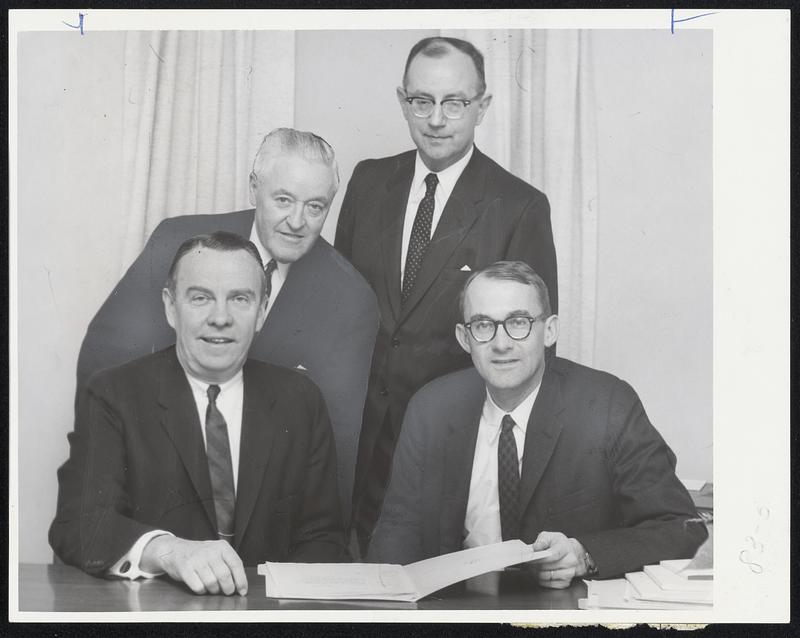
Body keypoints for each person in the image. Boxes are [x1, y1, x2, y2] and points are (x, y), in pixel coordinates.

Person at [77, 128, 378, 524]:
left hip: (263, 514)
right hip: (155, 492)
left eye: (316, 207)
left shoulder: (351, 299)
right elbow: (105, 355)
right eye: (283, 199)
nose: (296, 221)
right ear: (254, 188)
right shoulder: (178, 239)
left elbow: (336, 452)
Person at [335, 36, 558, 553]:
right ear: (403, 100)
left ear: (483, 107)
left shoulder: (519, 206)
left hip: (453, 446)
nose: (436, 119)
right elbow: (341, 312)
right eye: (422, 101)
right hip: (359, 442)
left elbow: (533, 350)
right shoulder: (368, 182)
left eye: (455, 102)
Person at [368, 261, 707, 586]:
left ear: (550, 331)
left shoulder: (606, 406)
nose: (501, 344)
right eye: (484, 325)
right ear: (464, 337)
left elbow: (682, 528)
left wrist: (584, 554)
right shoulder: (430, 408)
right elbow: (396, 534)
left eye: (518, 322)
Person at [50, 232, 345, 595]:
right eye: (201, 298)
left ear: (262, 311)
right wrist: (168, 551)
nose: (220, 317)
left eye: (239, 298)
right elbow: (79, 523)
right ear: (171, 307)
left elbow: (324, 539)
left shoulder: (302, 401)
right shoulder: (114, 395)